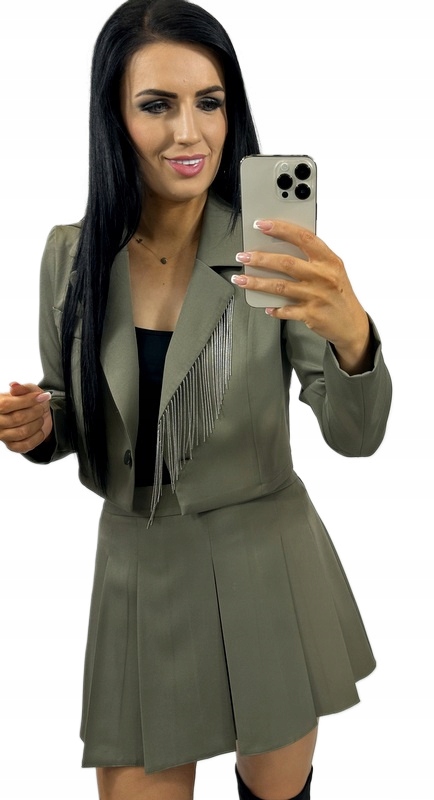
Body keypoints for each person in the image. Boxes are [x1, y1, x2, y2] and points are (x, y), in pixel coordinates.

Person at [0, 0, 392, 798]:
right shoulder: (71, 256)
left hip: (267, 561)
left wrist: (354, 336)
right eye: (157, 105)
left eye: (209, 102)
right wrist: (42, 425)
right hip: (139, 571)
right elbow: (74, 407)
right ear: (113, 116)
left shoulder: (271, 250)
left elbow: (355, 436)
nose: (190, 133)